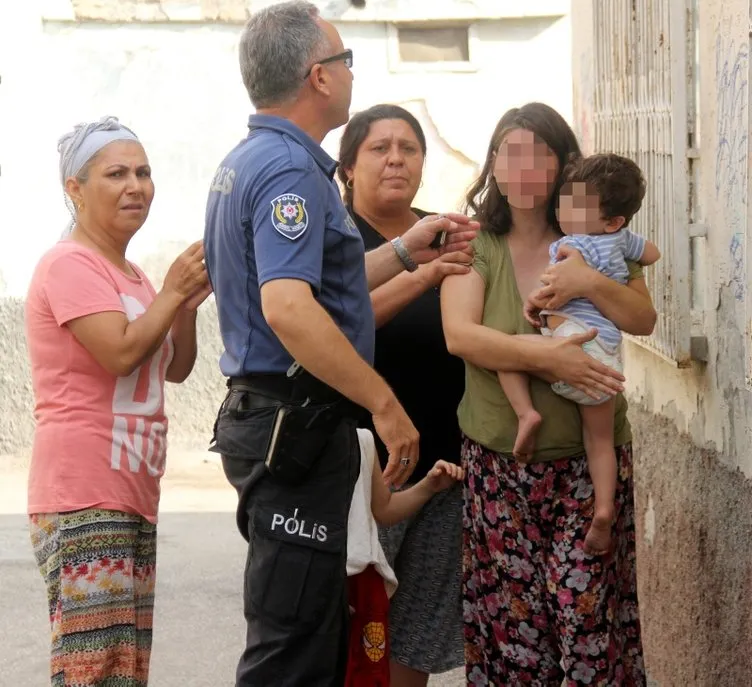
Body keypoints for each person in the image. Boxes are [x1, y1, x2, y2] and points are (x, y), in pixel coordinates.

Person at [202, 3, 478, 686]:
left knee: (315, 634)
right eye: (346, 59)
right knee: (295, 647)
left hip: (282, 421)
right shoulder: (291, 172)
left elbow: (324, 283)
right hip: (296, 422)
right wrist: (381, 399)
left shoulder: (256, 158)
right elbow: (290, 307)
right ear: (317, 76)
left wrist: (408, 252)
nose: (352, 72)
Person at [441, 102, 653, 685]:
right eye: (511, 154)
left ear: (564, 164)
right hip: (500, 466)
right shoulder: (473, 242)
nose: (525, 168)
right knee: (518, 640)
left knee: (588, 630)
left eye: (540, 154)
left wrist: (588, 283)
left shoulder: (598, 236)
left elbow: (642, 318)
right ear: (493, 165)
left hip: (590, 467)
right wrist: (547, 355)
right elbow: (461, 335)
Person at [25, 116, 211, 687]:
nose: (137, 185)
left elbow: (175, 368)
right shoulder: (69, 264)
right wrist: (174, 290)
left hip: (131, 489)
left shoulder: (132, 275)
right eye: (116, 173)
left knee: (124, 668)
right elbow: (121, 353)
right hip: (83, 490)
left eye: (144, 172)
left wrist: (184, 306)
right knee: (92, 667)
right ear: (74, 189)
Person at [337, 103, 469, 687]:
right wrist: (423, 272)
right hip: (366, 471)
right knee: (358, 627)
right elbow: (338, 325)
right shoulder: (337, 242)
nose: (396, 158)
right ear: (348, 167)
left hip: (447, 468)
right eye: (379, 147)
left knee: (417, 633)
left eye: (409, 148)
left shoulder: (446, 232)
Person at [497, 153, 661, 555]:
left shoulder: (568, 247)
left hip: (568, 341)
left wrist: (535, 303)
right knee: (600, 440)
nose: (565, 210)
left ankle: (525, 413)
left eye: (576, 205)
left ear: (611, 218)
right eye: (565, 201)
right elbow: (652, 253)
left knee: (506, 352)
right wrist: (625, 251)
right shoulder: (621, 242)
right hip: (605, 354)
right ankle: (603, 509)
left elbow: (553, 290)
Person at [344, 428, 464, 687]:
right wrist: (384, 405)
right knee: (353, 614)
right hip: (366, 463)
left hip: (449, 473)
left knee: (418, 628)